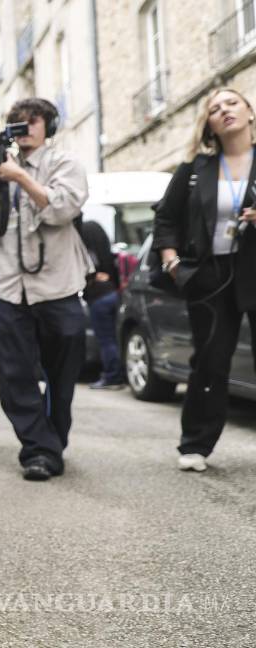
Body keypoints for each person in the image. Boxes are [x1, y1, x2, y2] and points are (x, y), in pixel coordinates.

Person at [0, 97, 90, 482]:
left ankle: (51, 441)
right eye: (17, 123)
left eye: (32, 121)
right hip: (9, 288)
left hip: (58, 285)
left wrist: (20, 177)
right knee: (15, 376)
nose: (24, 129)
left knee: (61, 374)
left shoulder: (64, 164)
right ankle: (38, 451)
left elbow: (62, 209)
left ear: (48, 126)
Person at [153, 87, 256, 473]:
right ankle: (196, 443)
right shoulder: (196, 168)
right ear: (209, 124)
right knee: (211, 361)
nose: (224, 110)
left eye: (232, 103)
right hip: (211, 276)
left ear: (249, 112)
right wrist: (173, 263)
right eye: (214, 109)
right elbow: (165, 217)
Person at [80, 221, 124, 390]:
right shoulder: (105, 253)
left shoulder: (88, 256)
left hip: (98, 299)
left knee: (106, 340)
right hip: (113, 294)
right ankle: (118, 373)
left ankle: (112, 376)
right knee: (113, 338)